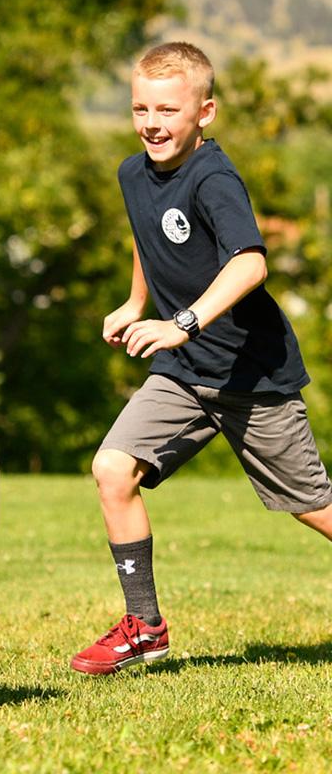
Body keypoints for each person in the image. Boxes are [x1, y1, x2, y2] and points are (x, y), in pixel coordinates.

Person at [70, 41, 332, 676]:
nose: (152, 123)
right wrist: (136, 303)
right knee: (113, 469)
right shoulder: (134, 173)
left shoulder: (214, 179)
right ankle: (145, 627)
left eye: (168, 109)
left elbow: (250, 262)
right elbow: (146, 234)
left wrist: (182, 322)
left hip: (252, 379)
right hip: (183, 376)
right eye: (140, 108)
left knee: (313, 507)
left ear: (204, 112)